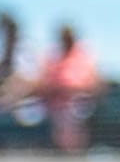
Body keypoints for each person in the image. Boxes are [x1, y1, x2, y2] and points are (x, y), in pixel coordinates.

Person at [35, 23, 105, 152]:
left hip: (80, 101)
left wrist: (73, 90)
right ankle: (66, 148)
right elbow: (44, 82)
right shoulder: (53, 57)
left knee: (72, 114)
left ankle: (73, 148)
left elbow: (94, 83)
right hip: (54, 103)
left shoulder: (85, 56)